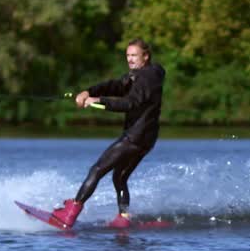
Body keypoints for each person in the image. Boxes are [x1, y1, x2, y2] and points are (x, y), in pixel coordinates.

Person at [48, 38, 165, 229]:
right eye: (128, 56)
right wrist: (88, 91)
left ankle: (70, 212)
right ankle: (124, 217)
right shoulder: (142, 75)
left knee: (97, 170)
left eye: (134, 55)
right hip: (147, 139)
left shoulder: (146, 77)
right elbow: (116, 86)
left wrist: (97, 100)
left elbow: (129, 103)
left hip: (134, 137)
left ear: (146, 56)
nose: (130, 59)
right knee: (119, 177)